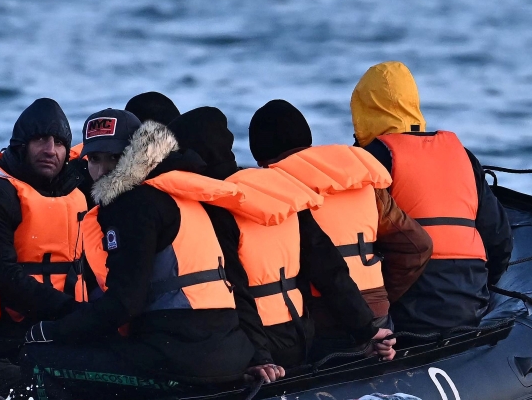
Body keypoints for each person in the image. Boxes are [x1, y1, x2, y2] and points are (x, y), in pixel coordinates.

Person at [18, 120, 282, 400]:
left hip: (178, 363)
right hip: (230, 355)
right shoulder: (182, 193)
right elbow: (237, 285)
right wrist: (259, 355)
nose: (104, 170)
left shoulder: (131, 205)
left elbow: (124, 304)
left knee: (38, 358)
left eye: (115, 158)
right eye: (94, 159)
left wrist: (54, 330)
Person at [169, 107, 397, 369]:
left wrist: (260, 358)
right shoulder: (281, 190)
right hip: (303, 335)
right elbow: (329, 267)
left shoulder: (213, 207)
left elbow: (236, 291)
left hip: (264, 347)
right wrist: (367, 330)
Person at [248, 99, 430, 358]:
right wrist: (379, 298)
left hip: (322, 321)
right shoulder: (361, 176)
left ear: (261, 157)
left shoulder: (272, 186)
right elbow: (417, 247)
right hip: (377, 315)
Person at [351, 62, 513, 332]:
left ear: (362, 110)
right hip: (470, 301)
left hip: (405, 312)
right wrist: (482, 288)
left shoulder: (372, 161)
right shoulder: (462, 155)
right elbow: (500, 239)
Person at [0, 98, 88, 350]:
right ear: (21, 146)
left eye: (60, 143)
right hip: (10, 327)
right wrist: (74, 313)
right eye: (40, 139)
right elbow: (4, 276)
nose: (50, 149)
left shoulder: (77, 189)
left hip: (68, 319)